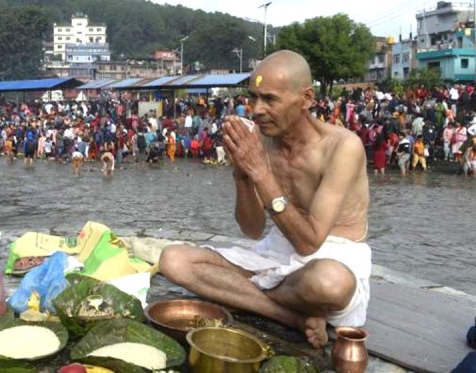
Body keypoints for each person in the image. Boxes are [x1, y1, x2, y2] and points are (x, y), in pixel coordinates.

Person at [159, 51, 371, 349]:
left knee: (328, 284)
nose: (256, 110)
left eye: (270, 99)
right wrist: (242, 174)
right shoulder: (260, 141)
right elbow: (252, 229)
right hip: (275, 252)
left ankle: (243, 294)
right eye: (253, 97)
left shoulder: (342, 147)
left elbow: (309, 242)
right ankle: (290, 316)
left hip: (332, 258)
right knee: (173, 260)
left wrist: (260, 172)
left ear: (306, 98)